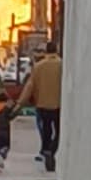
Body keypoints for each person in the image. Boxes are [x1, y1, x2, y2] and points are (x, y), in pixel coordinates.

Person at [19, 39, 62, 168]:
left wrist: (20, 103)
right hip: (59, 104)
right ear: (57, 50)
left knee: (46, 129)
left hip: (42, 104)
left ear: (46, 52)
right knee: (59, 130)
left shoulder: (38, 67)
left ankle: (46, 149)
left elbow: (30, 86)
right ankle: (52, 150)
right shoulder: (62, 65)